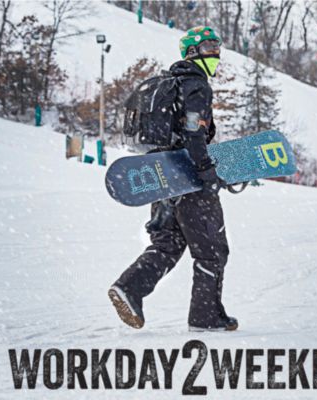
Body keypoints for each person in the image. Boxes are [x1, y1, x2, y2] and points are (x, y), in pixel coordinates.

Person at [108, 26, 238, 332]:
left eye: (217, 46)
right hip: (189, 177)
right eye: (208, 46)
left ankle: (129, 288)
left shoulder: (168, 83)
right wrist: (206, 172)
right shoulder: (197, 85)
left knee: (168, 243)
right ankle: (206, 318)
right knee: (212, 250)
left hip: (163, 174)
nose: (215, 53)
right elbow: (194, 131)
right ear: (192, 51)